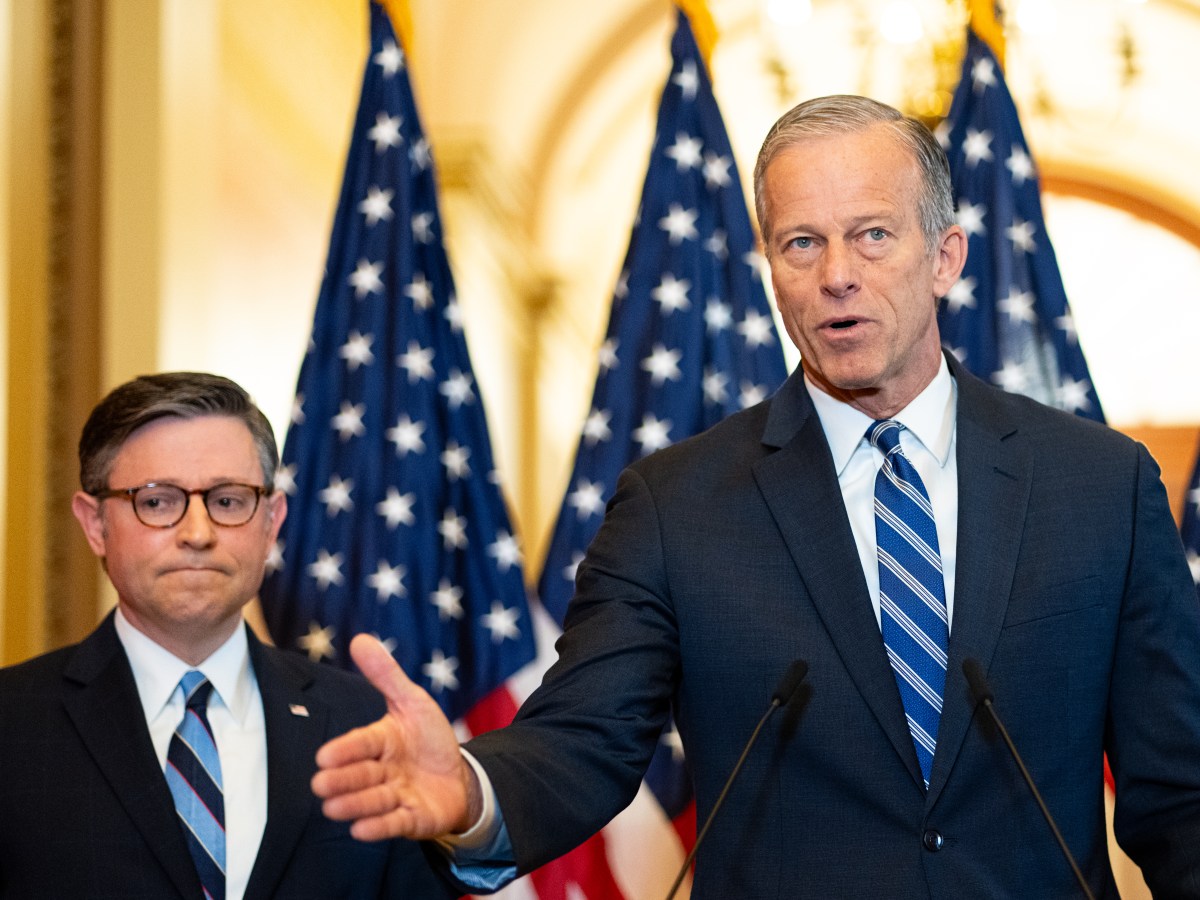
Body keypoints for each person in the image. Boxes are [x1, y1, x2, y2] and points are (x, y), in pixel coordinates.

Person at [312, 96, 1200, 898]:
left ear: (945, 257)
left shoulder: (1100, 487)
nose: (837, 274)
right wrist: (473, 792)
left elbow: (1181, 790)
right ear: (771, 267)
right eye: (801, 243)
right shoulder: (676, 506)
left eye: (873, 235)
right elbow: (583, 738)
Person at [0, 372, 456, 899]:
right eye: (157, 501)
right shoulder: (11, 723)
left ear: (271, 522)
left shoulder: (366, 723)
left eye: (228, 501)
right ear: (95, 524)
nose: (198, 534)